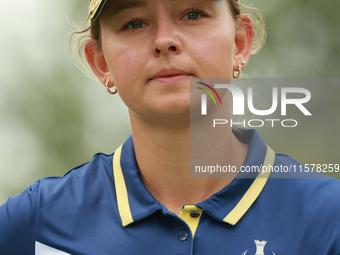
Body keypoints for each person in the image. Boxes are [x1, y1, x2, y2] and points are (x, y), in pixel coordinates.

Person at [1, 0, 340, 254]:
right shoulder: (37, 222)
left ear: (240, 43)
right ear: (101, 62)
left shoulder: (328, 218)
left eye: (192, 14)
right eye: (134, 23)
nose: (165, 40)